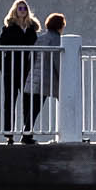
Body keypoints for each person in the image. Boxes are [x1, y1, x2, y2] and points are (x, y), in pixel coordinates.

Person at [0, 0, 41, 143]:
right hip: (11, 70)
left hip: (27, 70)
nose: (22, 10)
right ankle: (9, 134)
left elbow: (36, 49)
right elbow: (0, 50)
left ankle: (27, 134)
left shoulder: (31, 29)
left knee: (29, 100)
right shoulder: (8, 28)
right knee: (9, 101)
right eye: (20, 8)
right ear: (15, 10)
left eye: (25, 8)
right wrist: (3, 68)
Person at [26, 11, 66, 140]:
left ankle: (26, 133)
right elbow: (57, 60)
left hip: (35, 75)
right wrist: (63, 77)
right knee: (66, 102)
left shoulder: (41, 38)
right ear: (60, 25)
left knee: (34, 106)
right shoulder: (56, 39)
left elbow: (31, 56)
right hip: (47, 78)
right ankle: (71, 133)